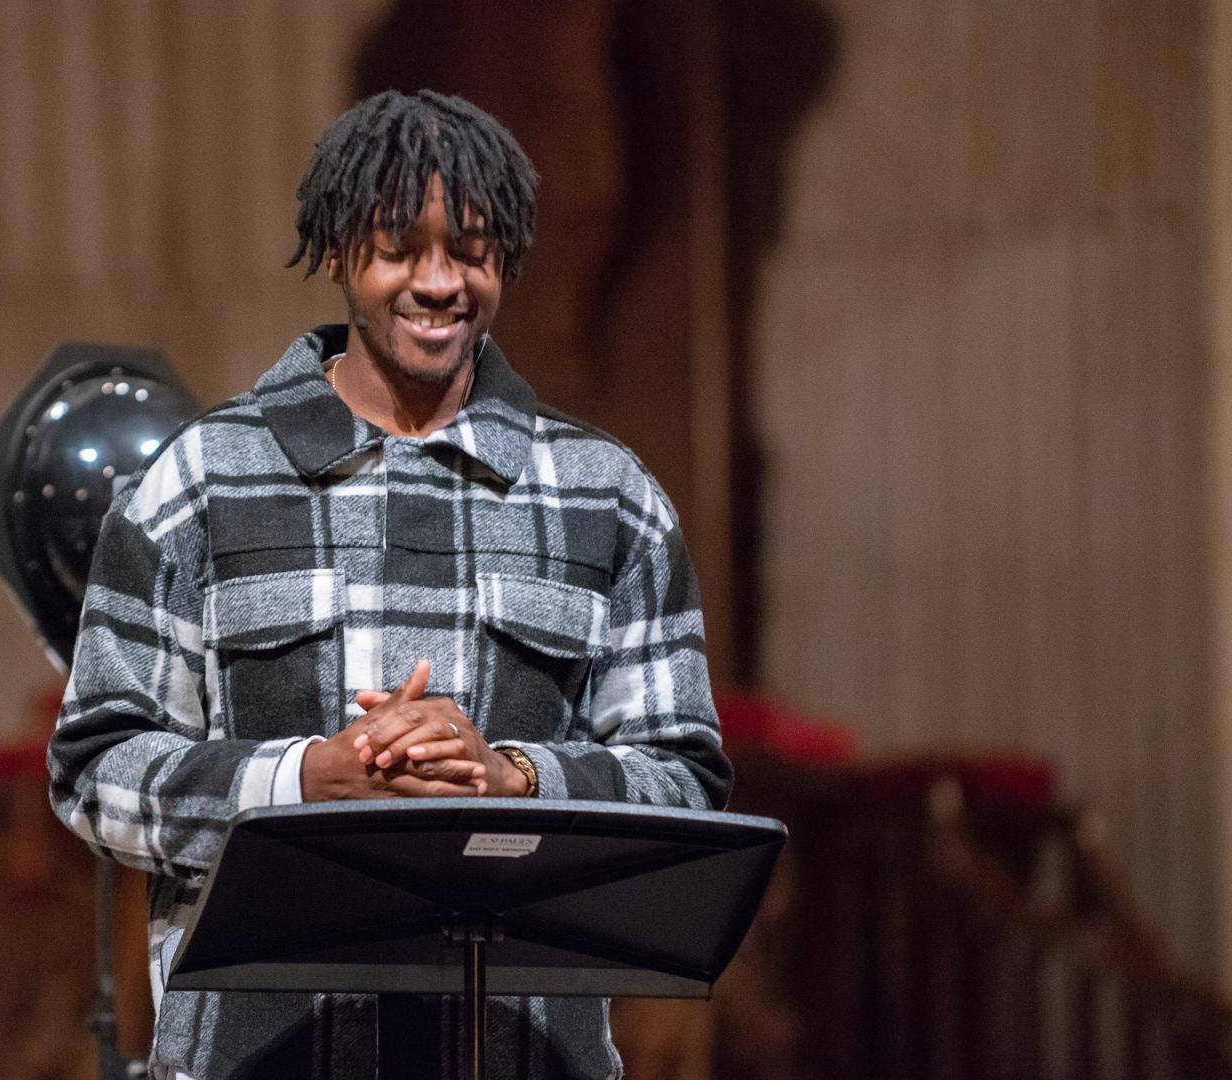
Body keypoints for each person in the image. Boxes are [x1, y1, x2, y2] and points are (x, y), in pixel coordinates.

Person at [49, 89, 733, 1079]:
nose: (440, 281)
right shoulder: (198, 486)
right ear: (336, 253)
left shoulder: (608, 498)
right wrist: (301, 781)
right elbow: (96, 767)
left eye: (473, 247)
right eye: (399, 247)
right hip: (255, 1059)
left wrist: (511, 779)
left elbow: (688, 786)